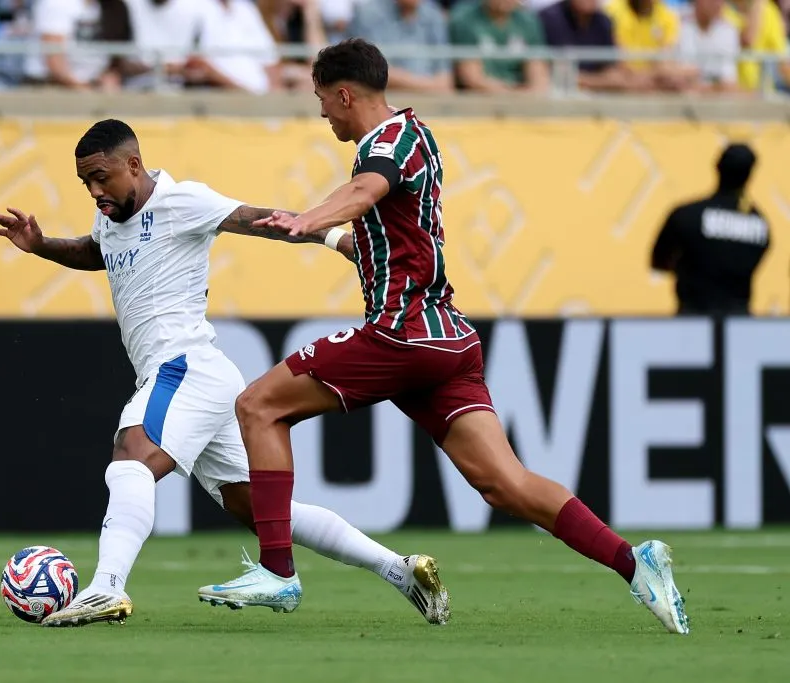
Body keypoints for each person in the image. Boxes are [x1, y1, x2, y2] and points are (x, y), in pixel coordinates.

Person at [201, 38, 690, 636]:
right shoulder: (413, 138)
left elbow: (364, 194)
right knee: (504, 483)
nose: (322, 112)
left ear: (345, 93)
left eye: (322, 99)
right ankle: (633, 562)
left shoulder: (387, 144)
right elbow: (377, 240)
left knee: (257, 406)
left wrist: (310, 215)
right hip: (446, 344)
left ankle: (278, 572)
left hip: (401, 336)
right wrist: (317, 235)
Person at [0, 119, 450, 627]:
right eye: (86, 183)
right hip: (197, 378)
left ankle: (106, 588)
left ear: (134, 165)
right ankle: (400, 570)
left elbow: (262, 219)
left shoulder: (182, 200)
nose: (95, 191)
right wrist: (42, 243)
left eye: (101, 177)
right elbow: (98, 252)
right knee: (263, 511)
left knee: (130, 458)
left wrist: (337, 240)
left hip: (183, 367)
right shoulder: (111, 215)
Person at [651, 143, 770, 315]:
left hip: (692, 320)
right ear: (750, 175)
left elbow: (659, 261)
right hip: (739, 324)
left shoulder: (687, 215)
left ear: (717, 167)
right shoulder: (759, 224)